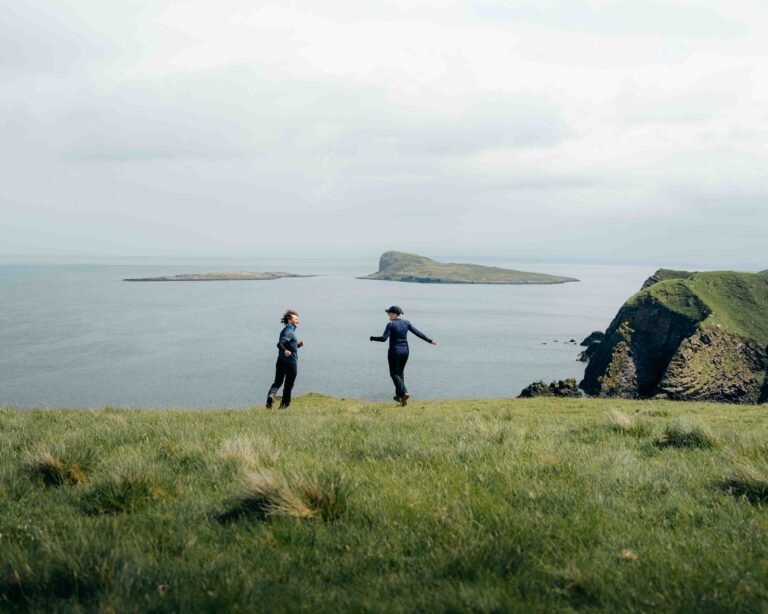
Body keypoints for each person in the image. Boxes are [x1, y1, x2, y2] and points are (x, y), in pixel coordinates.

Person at [370, 306, 437, 406]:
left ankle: (404, 392)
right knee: (400, 373)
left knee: (394, 374)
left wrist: (372, 338)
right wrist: (430, 340)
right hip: (405, 351)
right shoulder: (406, 322)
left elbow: (384, 338)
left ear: (394, 314)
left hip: (394, 352)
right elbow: (417, 333)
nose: (388, 315)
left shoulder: (390, 324)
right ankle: (400, 397)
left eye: (389, 313)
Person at [266, 309, 304, 410]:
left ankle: (271, 396)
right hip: (290, 364)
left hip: (281, 362)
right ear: (289, 320)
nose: (298, 321)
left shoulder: (285, 330)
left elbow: (288, 345)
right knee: (288, 386)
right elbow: (280, 344)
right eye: (295, 319)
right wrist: (285, 351)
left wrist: (298, 345)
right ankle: (284, 406)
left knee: (277, 382)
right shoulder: (289, 331)